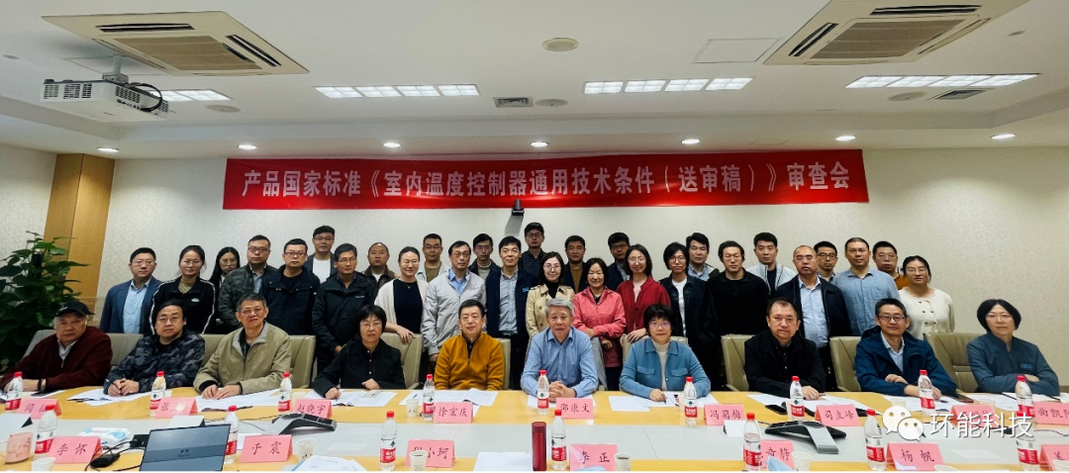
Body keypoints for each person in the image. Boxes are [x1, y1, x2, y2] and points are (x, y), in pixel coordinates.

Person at [774, 245, 850, 391]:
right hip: (796, 353)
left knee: (827, 391)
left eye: (809, 257)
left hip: (828, 353)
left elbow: (843, 324)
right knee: (799, 392)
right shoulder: (784, 291)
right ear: (794, 262)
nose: (805, 261)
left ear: (817, 260)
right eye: (800, 258)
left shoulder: (833, 291)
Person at [194, 293, 291, 399]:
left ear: (266, 312)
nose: (252, 314)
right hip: (226, 400)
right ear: (238, 316)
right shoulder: (228, 340)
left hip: (263, 398)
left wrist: (240, 388)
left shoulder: (280, 338)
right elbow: (206, 372)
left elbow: (279, 378)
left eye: (257, 309)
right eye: (247, 311)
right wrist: (208, 385)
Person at [854, 298, 957, 397]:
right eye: (886, 317)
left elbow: (946, 382)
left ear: (907, 322)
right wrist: (906, 389)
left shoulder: (921, 348)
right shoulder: (866, 346)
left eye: (897, 317)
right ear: (877, 320)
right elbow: (867, 381)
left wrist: (913, 386)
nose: (892, 322)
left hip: (917, 403)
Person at [1, 300, 112, 391]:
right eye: (63, 323)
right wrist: (9, 383)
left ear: (85, 323)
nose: (69, 328)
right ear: (55, 325)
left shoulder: (98, 340)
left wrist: (42, 384)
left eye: (76, 322)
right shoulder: (45, 345)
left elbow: (89, 376)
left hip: (82, 399)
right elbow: (17, 371)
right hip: (43, 400)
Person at [105, 301, 205, 395]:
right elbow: (119, 371)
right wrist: (113, 385)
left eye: (174, 318)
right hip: (137, 397)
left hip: (173, 397)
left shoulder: (193, 342)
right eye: (163, 319)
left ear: (184, 321)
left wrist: (141, 386)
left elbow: (187, 377)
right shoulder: (145, 343)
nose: (168, 323)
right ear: (155, 324)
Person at [968, 299, 1059, 396]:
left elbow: (1052, 385)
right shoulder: (976, 347)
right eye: (992, 316)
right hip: (990, 400)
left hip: (1027, 400)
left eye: (1005, 316)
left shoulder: (1031, 349)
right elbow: (987, 383)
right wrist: (1022, 378)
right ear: (985, 321)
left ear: (1015, 320)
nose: (999, 321)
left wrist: (1022, 388)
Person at [619, 305, 711, 401]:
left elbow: (703, 381)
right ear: (647, 328)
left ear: (671, 327)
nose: (660, 328)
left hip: (678, 404)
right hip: (647, 404)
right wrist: (648, 392)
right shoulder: (636, 350)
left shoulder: (685, 351)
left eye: (665, 323)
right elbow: (625, 381)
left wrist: (688, 394)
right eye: (654, 323)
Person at [312, 305, 406, 398]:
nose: (371, 329)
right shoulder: (347, 352)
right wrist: (328, 388)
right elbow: (322, 378)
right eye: (366, 324)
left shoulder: (393, 354)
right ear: (359, 328)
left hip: (383, 404)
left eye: (376, 323)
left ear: (383, 326)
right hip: (351, 404)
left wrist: (380, 386)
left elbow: (401, 388)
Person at [312, 243, 379, 371]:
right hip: (328, 350)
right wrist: (334, 346)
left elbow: (371, 318)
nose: (348, 264)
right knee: (327, 382)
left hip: (360, 348)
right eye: (343, 260)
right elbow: (317, 321)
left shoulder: (367, 285)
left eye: (351, 259)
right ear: (335, 264)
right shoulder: (326, 287)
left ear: (356, 262)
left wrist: (353, 343)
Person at [421, 241, 487, 370]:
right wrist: (433, 349)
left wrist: (482, 344)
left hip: (472, 347)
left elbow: (484, 316)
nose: (461, 258)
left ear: (469, 257)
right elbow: (428, 319)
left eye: (465, 254)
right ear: (450, 257)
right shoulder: (436, 284)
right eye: (457, 254)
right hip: (443, 346)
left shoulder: (479, 283)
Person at [484, 236, 539, 390]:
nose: (510, 254)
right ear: (500, 254)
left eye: (514, 250)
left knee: (521, 381)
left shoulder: (529, 280)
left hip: (522, 338)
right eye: (505, 250)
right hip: (497, 338)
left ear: (520, 254)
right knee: (498, 380)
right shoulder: (491, 279)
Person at [743, 298, 825, 398]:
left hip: (802, 402)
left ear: (798, 324)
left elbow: (819, 380)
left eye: (789, 319)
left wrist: (794, 389)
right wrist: (794, 389)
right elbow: (755, 381)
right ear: (768, 321)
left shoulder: (809, 347)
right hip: (764, 399)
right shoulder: (753, 345)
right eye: (777, 318)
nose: (784, 324)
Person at [520, 299, 599, 400]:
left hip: (573, 398)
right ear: (547, 320)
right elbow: (527, 377)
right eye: (554, 317)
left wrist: (572, 392)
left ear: (572, 319)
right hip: (546, 395)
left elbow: (591, 379)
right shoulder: (538, 341)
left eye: (563, 317)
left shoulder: (583, 340)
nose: (559, 322)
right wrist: (543, 390)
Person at [659, 243, 716, 376]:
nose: (677, 262)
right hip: (671, 342)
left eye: (681, 257)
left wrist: (705, 338)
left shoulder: (701, 286)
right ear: (667, 262)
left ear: (687, 260)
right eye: (672, 258)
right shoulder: (662, 286)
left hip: (699, 343)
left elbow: (710, 316)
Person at [572, 258, 626, 391]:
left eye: (599, 272)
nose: (595, 277)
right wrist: (600, 339)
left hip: (612, 356)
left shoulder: (615, 297)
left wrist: (596, 331)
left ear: (605, 275)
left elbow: (620, 325)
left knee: (610, 394)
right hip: (585, 355)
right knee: (588, 393)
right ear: (586, 276)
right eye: (591, 273)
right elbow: (576, 324)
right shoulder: (578, 298)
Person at [434, 300, 505, 390]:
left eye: (475, 317)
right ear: (459, 323)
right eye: (465, 317)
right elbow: (440, 383)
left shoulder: (493, 346)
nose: (470, 321)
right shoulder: (448, 346)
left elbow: (495, 384)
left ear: (483, 321)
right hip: (453, 395)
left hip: (482, 395)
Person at [703, 241, 769, 336]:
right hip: (720, 338)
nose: (732, 260)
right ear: (721, 259)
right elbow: (709, 315)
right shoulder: (713, 284)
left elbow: (764, 313)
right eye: (728, 256)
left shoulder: (757, 283)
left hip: (753, 337)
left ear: (743, 258)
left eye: (736, 256)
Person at [836, 237, 900, 335]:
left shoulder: (886, 279)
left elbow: (897, 308)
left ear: (869, 254)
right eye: (853, 251)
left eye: (861, 250)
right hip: (851, 337)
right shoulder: (837, 281)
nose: (858, 254)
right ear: (846, 254)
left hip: (884, 335)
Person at [217, 235, 277, 333]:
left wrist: (264, 328)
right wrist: (243, 326)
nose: (257, 253)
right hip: (238, 331)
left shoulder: (277, 276)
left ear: (269, 253)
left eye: (262, 249)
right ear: (247, 251)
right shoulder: (233, 276)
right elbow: (224, 307)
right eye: (253, 249)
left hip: (270, 332)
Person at [150, 245, 217, 334]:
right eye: (187, 261)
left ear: (202, 264)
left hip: (195, 338)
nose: (191, 265)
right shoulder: (164, 287)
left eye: (196, 261)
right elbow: (154, 316)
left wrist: (197, 339)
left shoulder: (208, 288)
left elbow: (209, 317)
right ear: (179, 263)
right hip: (165, 337)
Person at [260, 238, 320, 335]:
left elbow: (316, 312)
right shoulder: (270, 280)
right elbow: (261, 307)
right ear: (283, 256)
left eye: (300, 253)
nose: (295, 256)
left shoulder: (312, 281)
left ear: (306, 257)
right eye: (291, 253)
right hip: (272, 334)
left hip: (302, 335)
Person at [100, 247, 161, 335]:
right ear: (130, 266)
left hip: (149, 341)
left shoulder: (162, 289)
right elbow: (105, 322)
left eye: (149, 262)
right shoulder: (115, 291)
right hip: (118, 341)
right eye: (139, 262)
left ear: (155, 266)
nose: (143, 266)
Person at [617, 244, 671, 343]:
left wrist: (646, 330)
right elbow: (615, 316)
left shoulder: (658, 289)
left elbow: (667, 318)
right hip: (625, 342)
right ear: (627, 262)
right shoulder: (621, 288)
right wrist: (620, 334)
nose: (636, 263)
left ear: (647, 261)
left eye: (640, 259)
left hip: (651, 341)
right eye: (632, 259)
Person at [375, 246, 426, 344]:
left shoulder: (426, 288)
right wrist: (398, 328)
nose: (410, 265)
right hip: (392, 342)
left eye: (414, 261)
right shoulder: (386, 289)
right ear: (399, 263)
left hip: (420, 343)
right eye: (406, 261)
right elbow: (377, 319)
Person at [898, 255, 955, 339]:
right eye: (911, 270)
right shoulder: (899, 297)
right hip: (913, 346)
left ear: (928, 272)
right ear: (905, 274)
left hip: (943, 346)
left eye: (921, 269)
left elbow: (950, 326)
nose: (917, 274)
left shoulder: (943, 297)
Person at [525, 252, 576, 335]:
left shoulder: (569, 292)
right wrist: (539, 340)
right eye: (548, 266)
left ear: (561, 269)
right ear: (542, 268)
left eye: (556, 266)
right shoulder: (533, 293)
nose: (552, 270)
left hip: (564, 340)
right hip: (539, 340)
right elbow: (530, 323)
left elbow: (573, 321)